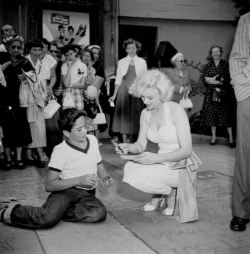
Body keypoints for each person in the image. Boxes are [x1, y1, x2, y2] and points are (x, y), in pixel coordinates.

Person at [0, 108, 113, 229]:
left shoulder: (93, 140)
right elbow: (49, 185)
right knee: (46, 218)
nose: (85, 131)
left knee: (99, 213)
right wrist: (78, 180)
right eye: (79, 129)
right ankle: (8, 212)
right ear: (66, 133)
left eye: (85, 126)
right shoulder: (60, 150)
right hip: (66, 191)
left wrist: (105, 177)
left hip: (87, 193)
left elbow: (98, 162)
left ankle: (59, 212)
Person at [116, 69, 201, 223]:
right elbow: (140, 146)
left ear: (162, 94)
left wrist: (155, 158)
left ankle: (168, 194)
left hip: (180, 165)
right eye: (142, 96)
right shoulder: (145, 113)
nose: (145, 101)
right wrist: (127, 147)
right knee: (130, 169)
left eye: (150, 97)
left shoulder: (176, 110)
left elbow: (186, 151)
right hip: (161, 162)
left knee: (149, 173)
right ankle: (167, 192)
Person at [229, 13, 250, 232]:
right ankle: (242, 212)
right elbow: (237, 57)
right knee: (246, 154)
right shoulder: (248, 19)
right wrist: (241, 89)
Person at [1, 35, 33, 170]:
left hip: (19, 99)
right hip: (2, 98)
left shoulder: (25, 61)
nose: (15, 50)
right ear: (8, 47)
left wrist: (25, 78)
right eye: (13, 47)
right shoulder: (2, 58)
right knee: (6, 128)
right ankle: (8, 157)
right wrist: (2, 68)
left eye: (18, 48)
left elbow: (34, 78)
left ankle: (19, 158)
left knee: (20, 128)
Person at [109, 38, 147, 143]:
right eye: (129, 48)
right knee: (124, 116)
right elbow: (118, 79)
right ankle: (125, 142)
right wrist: (114, 95)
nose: (131, 50)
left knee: (136, 115)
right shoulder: (121, 62)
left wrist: (145, 93)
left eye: (134, 48)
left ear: (137, 49)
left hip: (136, 90)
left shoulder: (142, 62)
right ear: (126, 50)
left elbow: (144, 79)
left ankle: (135, 141)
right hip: (123, 90)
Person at [200, 45, 235, 147]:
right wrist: (217, 81)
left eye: (218, 51)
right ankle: (213, 138)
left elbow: (228, 80)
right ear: (211, 54)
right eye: (213, 52)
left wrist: (212, 80)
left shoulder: (226, 65)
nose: (216, 53)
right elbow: (205, 79)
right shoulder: (208, 65)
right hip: (211, 95)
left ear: (221, 53)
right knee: (212, 117)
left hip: (223, 95)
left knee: (227, 118)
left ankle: (231, 140)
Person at [25, 39, 47, 168]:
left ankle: (37, 153)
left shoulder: (41, 63)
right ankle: (34, 154)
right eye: (34, 49)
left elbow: (43, 81)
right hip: (27, 98)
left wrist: (44, 96)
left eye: (39, 49)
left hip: (39, 99)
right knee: (31, 126)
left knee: (39, 126)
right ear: (29, 50)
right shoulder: (24, 61)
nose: (37, 52)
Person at [61, 44, 87, 110]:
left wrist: (70, 84)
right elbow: (66, 84)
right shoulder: (64, 66)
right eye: (67, 55)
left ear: (75, 52)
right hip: (67, 93)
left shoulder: (82, 66)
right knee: (67, 116)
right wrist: (69, 68)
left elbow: (82, 84)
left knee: (79, 114)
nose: (70, 56)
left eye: (71, 54)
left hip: (78, 92)